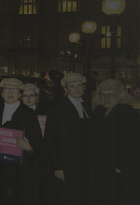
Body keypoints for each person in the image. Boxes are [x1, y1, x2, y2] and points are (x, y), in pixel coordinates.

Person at [89, 79, 140, 205]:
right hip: (103, 170)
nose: (107, 98)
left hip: (123, 173)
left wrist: (119, 168)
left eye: (111, 94)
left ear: (120, 95)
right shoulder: (99, 111)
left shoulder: (127, 113)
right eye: (103, 95)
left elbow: (133, 144)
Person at [0, 78, 43, 205]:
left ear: (20, 94)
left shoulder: (29, 114)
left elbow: (38, 144)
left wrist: (29, 148)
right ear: (2, 93)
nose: (10, 93)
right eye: (7, 90)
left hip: (19, 170)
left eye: (14, 90)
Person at [44, 73, 91, 205]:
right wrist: (57, 166)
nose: (77, 89)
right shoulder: (57, 109)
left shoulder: (85, 106)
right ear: (65, 89)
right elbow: (51, 140)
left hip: (82, 164)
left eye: (79, 85)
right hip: (65, 163)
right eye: (72, 86)